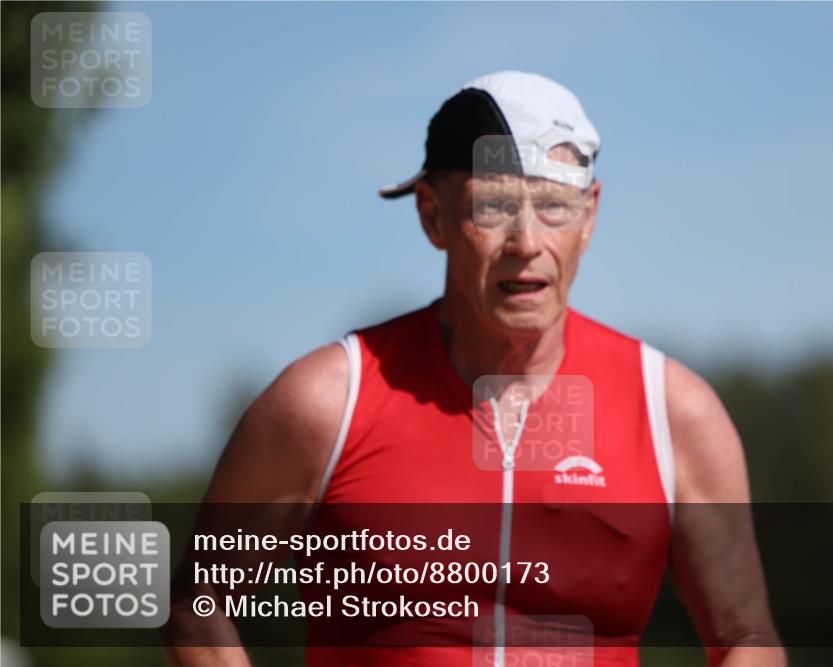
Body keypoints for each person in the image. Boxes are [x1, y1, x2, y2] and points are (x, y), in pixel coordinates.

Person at [165, 70, 785, 667]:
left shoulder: (674, 413)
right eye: (492, 206)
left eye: (553, 206)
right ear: (433, 215)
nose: (525, 241)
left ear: (590, 215)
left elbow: (746, 636)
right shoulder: (327, 403)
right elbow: (198, 608)